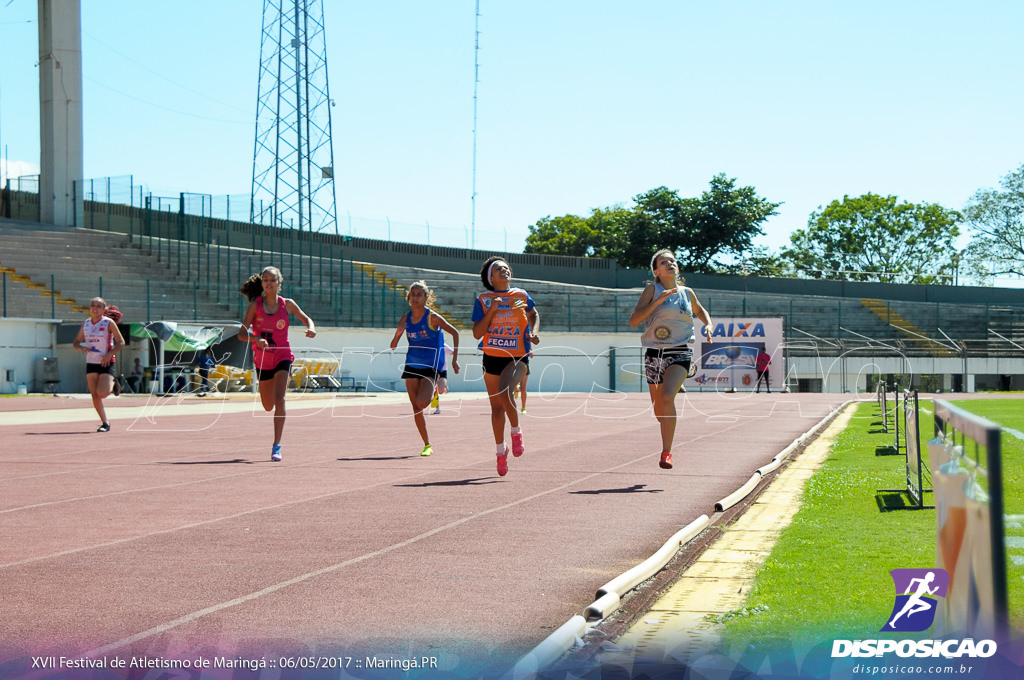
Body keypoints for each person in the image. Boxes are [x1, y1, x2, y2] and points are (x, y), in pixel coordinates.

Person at [628, 249, 713, 470]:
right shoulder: (651, 290)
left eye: (672, 261)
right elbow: (634, 320)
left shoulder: (687, 292)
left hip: (680, 351)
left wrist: (708, 325)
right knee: (659, 411)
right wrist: (658, 302)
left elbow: (701, 310)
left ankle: (667, 452)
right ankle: (668, 423)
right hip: (654, 353)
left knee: (667, 397)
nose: (669, 264)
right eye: (663, 262)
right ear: (656, 270)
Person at [238, 266, 317, 462]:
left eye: (272, 280)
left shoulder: (287, 304)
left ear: (279, 283)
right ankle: (271, 403)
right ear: (262, 283)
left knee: (280, 398)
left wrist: (311, 328)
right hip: (263, 359)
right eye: (265, 280)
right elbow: (241, 333)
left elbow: (307, 319)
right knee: (267, 405)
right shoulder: (255, 306)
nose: (269, 283)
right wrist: (256, 339)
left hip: (283, 355)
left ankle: (276, 445)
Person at [472, 256, 539, 476]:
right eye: (498, 269)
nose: (504, 270)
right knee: (496, 408)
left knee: (506, 390)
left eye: (506, 268)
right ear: (490, 277)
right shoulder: (483, 299)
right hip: (492, 356)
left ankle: (516, 431)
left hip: (518, 355)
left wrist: (533, 331)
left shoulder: (520, 296)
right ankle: (501, 452)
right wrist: (492, 310)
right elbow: (477, 333)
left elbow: (533, 314)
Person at [389, 281, 461, 457]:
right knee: (416, 408)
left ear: (425, 298)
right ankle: (427, 444)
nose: (415, 297)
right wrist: (398, 333)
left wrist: (454, 361)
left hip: (431, 366)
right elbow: (393, 345)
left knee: (422, 402)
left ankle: (436, 385)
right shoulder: (405, 319)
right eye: (412, 294)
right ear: (409, 298)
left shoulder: (432, 318)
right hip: (412, 364)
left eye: (418, 295)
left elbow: (455, 333)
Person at [72, 297, 126, 432]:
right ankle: (105, 423)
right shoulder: (86, 324)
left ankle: (114, 383)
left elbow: (121, 342)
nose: (95, 308)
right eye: (92, 306)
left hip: (106, 361)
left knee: (102, 393)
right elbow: (76, 343)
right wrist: (81, 348)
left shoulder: (108, 323)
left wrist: (109, 354)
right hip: (91, 362)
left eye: (98, 306)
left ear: (103, 309)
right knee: (94, 394)